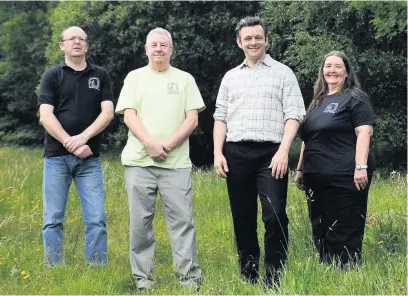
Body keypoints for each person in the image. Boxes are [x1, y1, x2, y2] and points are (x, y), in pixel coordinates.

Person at [213, 16, 306, 288]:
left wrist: (284, 151)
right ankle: (249, 273)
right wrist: (218, 153)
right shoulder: (231, 77)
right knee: (242, 217)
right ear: (239, 42)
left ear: (266, 40)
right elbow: (221, 117)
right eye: (248, 38)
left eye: (258, 37)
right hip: (236, 153)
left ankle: (274, 277)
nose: (253, 42)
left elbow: (294, 114)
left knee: (275, 214)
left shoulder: (283, 73)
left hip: (271, 154)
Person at [115, 27, 205, 291]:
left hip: (175, 164)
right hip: (138, 162)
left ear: (171, 49)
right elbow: (129, 115)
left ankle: (188, 279)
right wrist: (150, 143)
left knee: (182, 222)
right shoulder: (134, 78)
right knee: (140, 223)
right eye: (153, 45)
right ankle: (142, 279)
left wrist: (166, 144)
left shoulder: (185, 79)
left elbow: (192, 118)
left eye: (163, 45)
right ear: (146, 49)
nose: (158, 49)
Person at [38, 26, 114, 266]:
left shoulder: (100, 75)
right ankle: (54, 268)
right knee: (53, 218)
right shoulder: (52, 76)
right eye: (72, 39)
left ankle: (97, 268)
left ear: (87, 46)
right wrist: (71, 144)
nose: (77, 42)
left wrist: (83, 138)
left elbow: (108, 112)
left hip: (89, 160)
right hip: (55, 159)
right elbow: (45, 116)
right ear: (62, 45)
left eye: (82, 39)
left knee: (96, 219)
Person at [295, 51, 375, 268]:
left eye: (338, 66)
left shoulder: (355, 97)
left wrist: (360, 167)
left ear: (346, 72)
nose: (332, 70)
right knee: (320, 225)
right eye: (328, 66)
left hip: (345, 174)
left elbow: (364, 133)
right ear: (322, 71)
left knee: (344, 225)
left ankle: (347, 272)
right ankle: (327, 269)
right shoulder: (317, 101)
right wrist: (300, 169)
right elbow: (307, 138)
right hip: (315, 176)